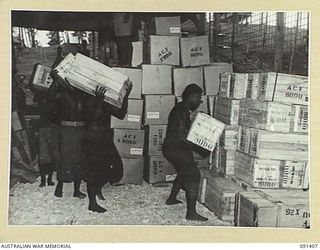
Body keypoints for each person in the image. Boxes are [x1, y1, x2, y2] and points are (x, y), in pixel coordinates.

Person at [162, 84, 209, 222]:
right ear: (192, 96)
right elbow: (181, 137)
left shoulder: (181, 109)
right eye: (199, 98)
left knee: (183, 171)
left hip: (173, 147)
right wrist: (201, 148)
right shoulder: (182, 111)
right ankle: (191, 213)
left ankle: (171, 199)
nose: (200, 101)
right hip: (175, 148)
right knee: (194, 174)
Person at [84, 82, 132, 213]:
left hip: (105, 139)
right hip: (92, 139)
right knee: (94, 171)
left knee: (116, 169)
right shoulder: (87, 98)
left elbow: (121, 114)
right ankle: (92, 203)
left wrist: (126, 95)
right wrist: (99, 99)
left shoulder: (105, 100)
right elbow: (94, 117)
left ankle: (98, 187)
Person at [49, 70, 88, 199]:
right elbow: (50, 97)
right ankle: (59, 187)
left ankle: (76, 190)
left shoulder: (83, 94)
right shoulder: (63, 94)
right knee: (66, 158)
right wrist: (55, 81)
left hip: (81, 129)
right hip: (67, 130)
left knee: (80, 159)